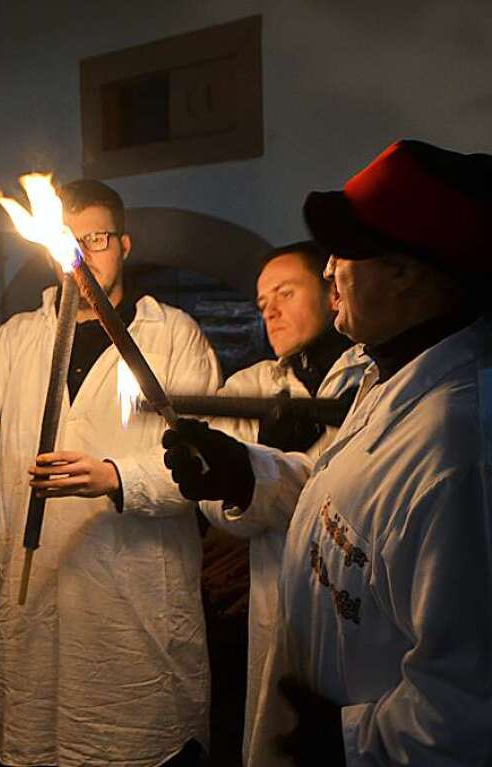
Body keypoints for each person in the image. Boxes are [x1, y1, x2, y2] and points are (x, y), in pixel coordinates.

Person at [163, 139, 492, 765]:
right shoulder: (389, 378)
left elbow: (469, 707)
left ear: (407, 269)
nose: (330, 266)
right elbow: (350, 495)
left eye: (347, 250)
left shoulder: (461, 451)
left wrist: (344, 742)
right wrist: (245, 474)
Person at [0, 179, 221, 766]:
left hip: (134, 610)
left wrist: (117, 477)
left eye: (98, 238)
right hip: (35, 602)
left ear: (124, 244)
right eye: (72, 240)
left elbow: (202, 466)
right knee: (39, 741)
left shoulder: (173, 338)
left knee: (137, 746)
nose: (85, 252)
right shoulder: (20, 338)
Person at [199, 241, 369, 764]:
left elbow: (355, 502)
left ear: (331, 288)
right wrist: (251, 466)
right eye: (261, 300)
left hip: (358, 606)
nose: (268, 309)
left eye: (285, 292)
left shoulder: (373, 380)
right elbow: (212, 497)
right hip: (277, 601)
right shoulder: (249, 387)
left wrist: (274, 470)